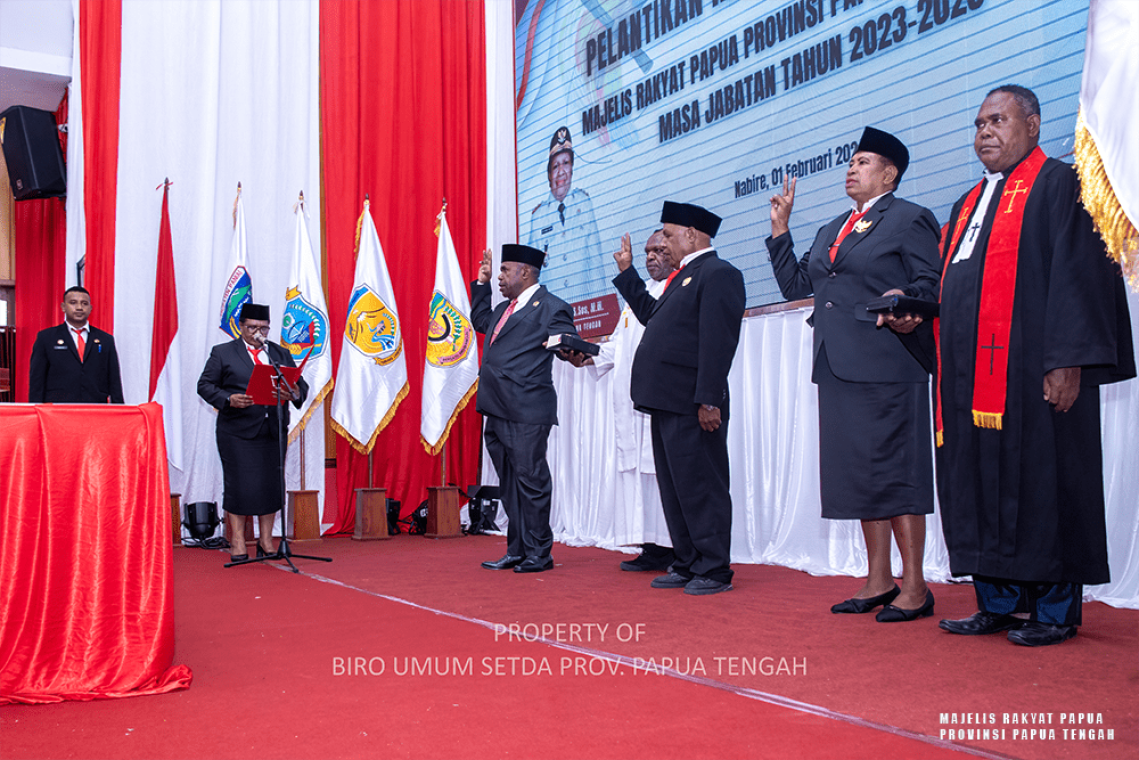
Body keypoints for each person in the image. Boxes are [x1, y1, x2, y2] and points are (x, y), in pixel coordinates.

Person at [916, 85, 1134, 646]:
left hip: (1033, 373)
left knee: (1046, 481)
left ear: (1033, 126)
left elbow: (1078, 277)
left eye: (998, 120)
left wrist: (1068, 361)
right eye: (978, 123)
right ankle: (998, 600)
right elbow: (958, 287)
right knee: (979, 482)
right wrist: (915, 315)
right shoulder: (965, 204)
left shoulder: (1060, 184)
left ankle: (1055, 609)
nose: (984, 132)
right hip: (972, 380)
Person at [765, 127, 942, 622]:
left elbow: (928, 284)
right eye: (851, 161)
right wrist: (782, 230)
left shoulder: (909, 218)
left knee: (896, 472)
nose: (851, 168)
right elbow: (797, 284)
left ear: (889, 174)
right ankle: (878, 580)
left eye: (863, 162)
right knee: (862, 476)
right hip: (838, 365)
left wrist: (902, 304)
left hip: (889, 359)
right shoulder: (831, 229)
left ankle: (915, 586)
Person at [613, 202, 745, 595]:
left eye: (668, 236)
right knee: (676, 487)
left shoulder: (719, 273)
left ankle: (714, 568)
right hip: (666, 401)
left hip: (693, 402)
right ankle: (687, 561)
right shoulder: (682, 278)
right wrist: (628, 274)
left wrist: (708, 400)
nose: (664, 244)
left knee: (702, 484)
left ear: (692, 235)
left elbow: (718, 342)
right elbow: (653, 316)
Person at [564, 230, 676, 572]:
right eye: (648, 252)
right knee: (639, 476)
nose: (651, 257)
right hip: (631, 404)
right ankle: (652, 545)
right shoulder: (635, 300)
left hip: (657, 403)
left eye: (659, 250)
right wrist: (586, 354)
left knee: (660, 475)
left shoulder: (673, 291)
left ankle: (674, 547)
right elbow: (618, 346)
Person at [471, 244, 578, 573]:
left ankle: (539, 553)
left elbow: (565, 339)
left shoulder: (552, 307)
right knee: (510, 485)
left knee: (531, 482)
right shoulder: (505, 309)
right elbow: (480, 320)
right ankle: (516, 549)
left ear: (526, 273)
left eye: (504, 271)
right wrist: (482, 283)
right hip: (497, 408)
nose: (500, 276)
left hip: (528, 410)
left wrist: (569, 349)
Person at [197, 303, 309, 562]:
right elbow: (204, 385)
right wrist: (228, 398)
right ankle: (237, 540)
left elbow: (299, 386)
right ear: (241, 326)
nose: (258, 332)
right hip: (237, 431)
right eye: (252, 327)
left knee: (271, 485)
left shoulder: (279, 354)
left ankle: (266, 540)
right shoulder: (223, 353)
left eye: (263, 328)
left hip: (273, 429)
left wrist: (292, 393)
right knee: (240, 485)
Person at [528, 126, 603, 305]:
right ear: (549, 174)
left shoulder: (584, 203)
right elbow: (531, 274)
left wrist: (603, 316)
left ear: (572, 169)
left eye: (566, 163)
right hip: (550, 316)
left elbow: (596, 263)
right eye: (555, 166)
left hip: (585, 312)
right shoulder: (538, 217)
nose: (561, 171)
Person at [28, 286, 124, 404]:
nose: (79, 308)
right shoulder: (46, 338)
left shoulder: (106, 340)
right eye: (73, 303)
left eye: (84, 304)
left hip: (96, 408)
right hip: (57, 409)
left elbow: (114, 379)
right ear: (63, 307)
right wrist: (35, 409)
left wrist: (119, 409)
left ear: (90, 308)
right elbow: (37, 379)